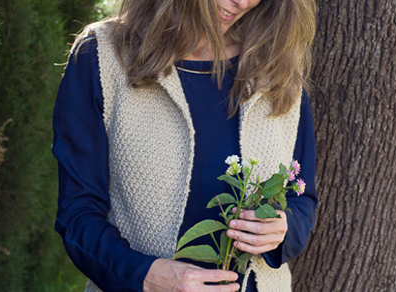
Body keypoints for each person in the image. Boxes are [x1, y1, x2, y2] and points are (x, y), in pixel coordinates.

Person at [52, 0, 317, 291]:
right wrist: (145, 276)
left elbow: (301, 199)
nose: (242, 3)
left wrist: (283, 229)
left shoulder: (276, 67)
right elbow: (77, 213)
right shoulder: (102, 56)